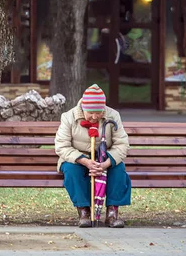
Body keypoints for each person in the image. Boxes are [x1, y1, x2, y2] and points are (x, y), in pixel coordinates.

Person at [54, 84, 131, 228]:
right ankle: (84, 212)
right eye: (90, 113)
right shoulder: (68, 117)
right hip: (77, 157)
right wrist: (85, 161)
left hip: (104, 157)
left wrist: (105, 164)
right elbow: (61, 146)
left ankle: (112, 213)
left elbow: (122, 144)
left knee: (118, 169)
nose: (95, 117)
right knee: (71, 170)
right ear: (83, 107)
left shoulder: (113, 115)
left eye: (99, 112)